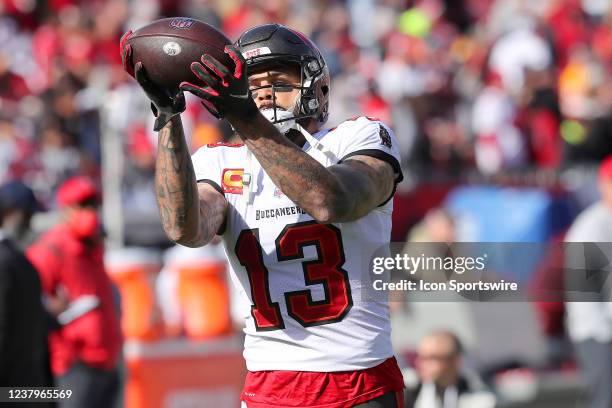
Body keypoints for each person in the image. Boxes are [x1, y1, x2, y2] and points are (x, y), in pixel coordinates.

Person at [122, 22, 405, 407]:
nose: (265, 95)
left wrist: (245, 116)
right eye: (253, 87)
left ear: (314, 88)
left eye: (279, 82)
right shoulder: (219, 161)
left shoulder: (357, 138)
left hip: (358, 380)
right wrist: (168, 118)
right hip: (269, 384)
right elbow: (184, 228)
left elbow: (330, 201)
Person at [27, 176, 122, 408]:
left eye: (93, 204)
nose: (90, 211)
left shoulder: (94, 246)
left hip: (107, 361)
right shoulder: (50, 250)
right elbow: (30, 305)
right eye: (83, 204)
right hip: (73, 367)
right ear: (65, 209)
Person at [564, 155, 612, 408]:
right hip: (599, 333)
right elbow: (583, 291)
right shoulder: (590, 227)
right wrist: (602, 332)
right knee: (604, 399)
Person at [0, 181, 52, 400]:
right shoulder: (18, 261)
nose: (31, 225)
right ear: (12, 212)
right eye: (28, 216)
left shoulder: (13, 261)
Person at [404, 330, 495, 408]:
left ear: (455, 361)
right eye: (419, 356)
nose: (420, 363)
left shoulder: (480, 395)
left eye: (431, 358)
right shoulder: (409, 392)